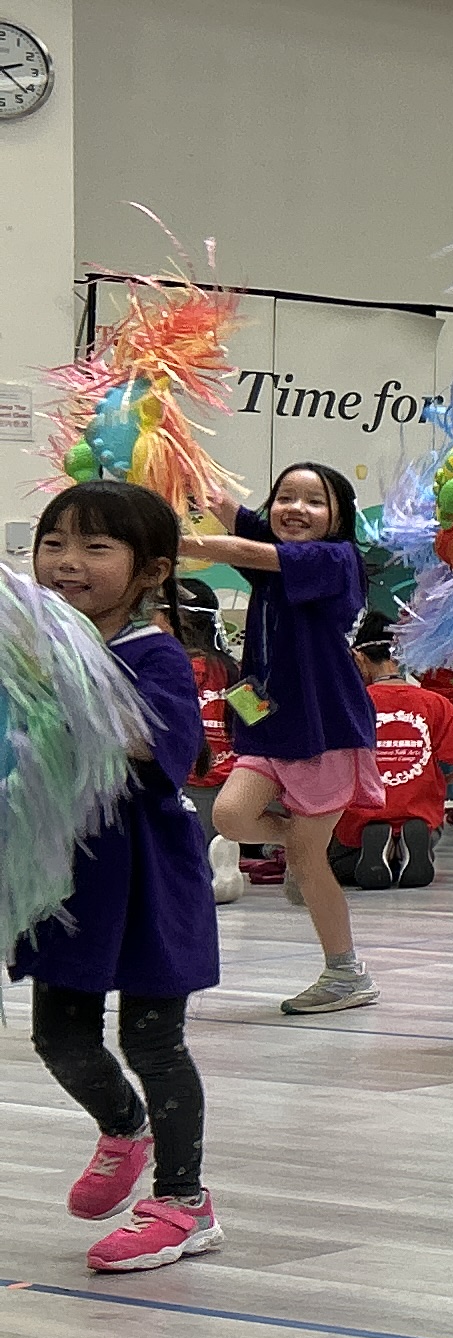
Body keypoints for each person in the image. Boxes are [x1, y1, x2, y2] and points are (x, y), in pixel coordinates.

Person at [13, 480, 228, 1272]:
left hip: (145, 874)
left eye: (96, 547)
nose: (67, 563)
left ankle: (183, 1201)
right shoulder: (29, 650)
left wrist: (70, 690)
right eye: (54, 543)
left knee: (153, 1036)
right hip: (65, 877)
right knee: (58, 1035)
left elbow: (154, 745)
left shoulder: (151, 651)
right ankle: (122, 1127)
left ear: (150, 570)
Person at [179, 461, 378, 1018]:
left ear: (339, 516)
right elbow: (228, 509)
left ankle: (346, 973)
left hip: (325, 728)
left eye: (314, 501)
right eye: (284, 497)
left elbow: (245, 549)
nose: (296, 508)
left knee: (311, 860)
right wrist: (170, 450)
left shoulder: (334, 559)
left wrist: (175, 541)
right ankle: (298, 845)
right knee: (230, 816)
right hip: (269, 724)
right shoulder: (278, 551)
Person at [332, 619, 453, 891]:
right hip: (421, 815)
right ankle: (408, 846)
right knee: (419, 835)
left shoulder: (352, 705)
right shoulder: (434, 702)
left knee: (337, 864)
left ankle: (383, 849)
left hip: (361, 820)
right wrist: (445, 778)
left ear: (359, 657)